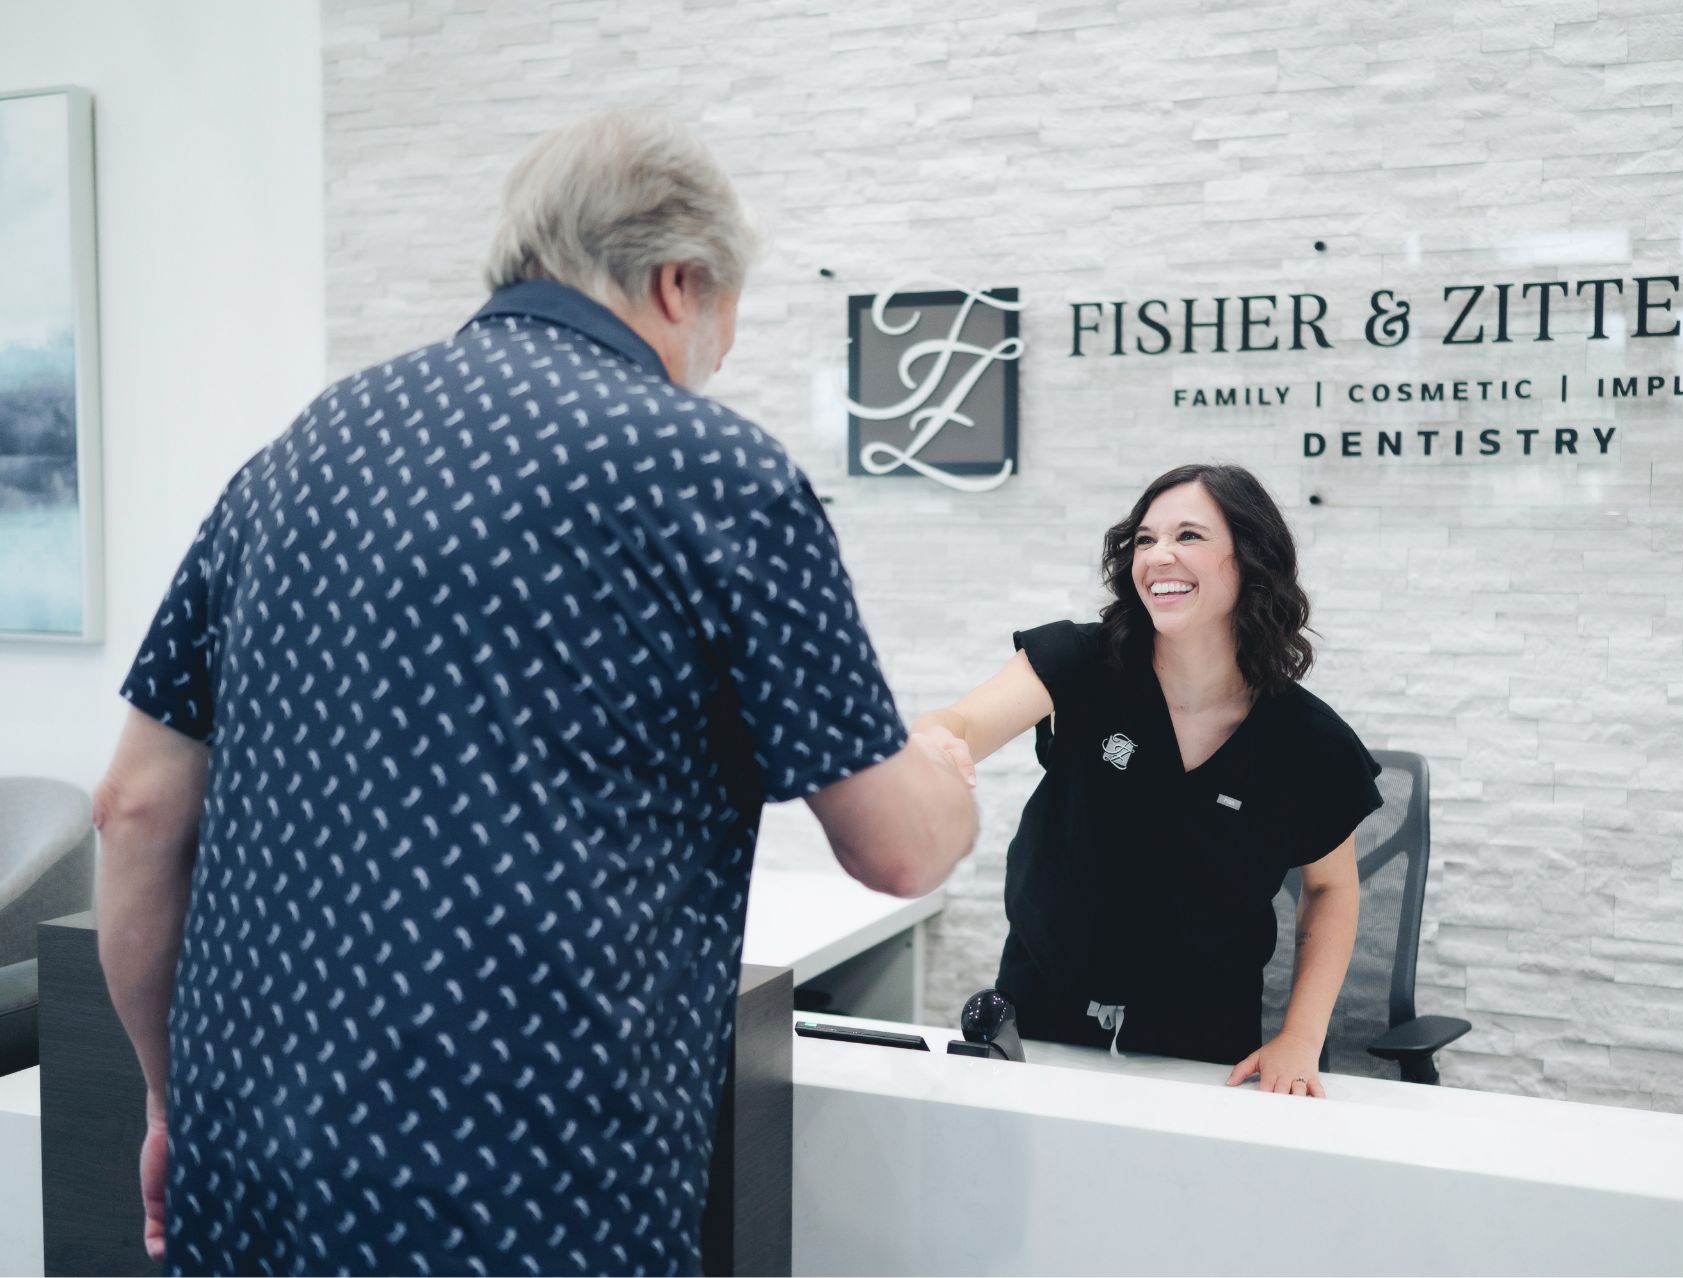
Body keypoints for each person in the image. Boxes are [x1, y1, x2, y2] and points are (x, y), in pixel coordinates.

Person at [93, 110, 975, 1276]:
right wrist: (952, 778)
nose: (720, 350)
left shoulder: (295, 454)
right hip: (531, 1183)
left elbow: (136, 809)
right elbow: (899, 849)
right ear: (679, 282)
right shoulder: (711, 471)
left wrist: (169, 1101)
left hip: (251, 1152)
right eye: (727, 317)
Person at [913, 463, 1378, 1094]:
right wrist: (936, 736)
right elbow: (963, 721)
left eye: (1189, 536)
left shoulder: (1306, 740)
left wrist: (1300, 1037)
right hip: (1041, 1020)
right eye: (1145, 539)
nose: (1159, 555)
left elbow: (1330, 889)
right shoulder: (1079, 662)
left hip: (1205, 1045)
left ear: (1252, 558)